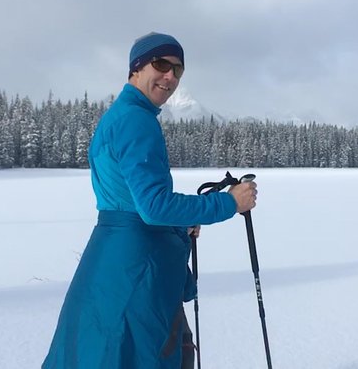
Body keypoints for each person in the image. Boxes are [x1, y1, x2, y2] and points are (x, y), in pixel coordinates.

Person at [41, 32, 258, 369]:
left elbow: (129, 200)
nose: (170, 76)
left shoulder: (119, 116)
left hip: (112, 264)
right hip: (137, 270)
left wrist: (180, 220)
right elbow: (153, 206)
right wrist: (229, 203)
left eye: (178, 70)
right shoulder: (135, 121)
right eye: (161, 64)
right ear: (136, 68)